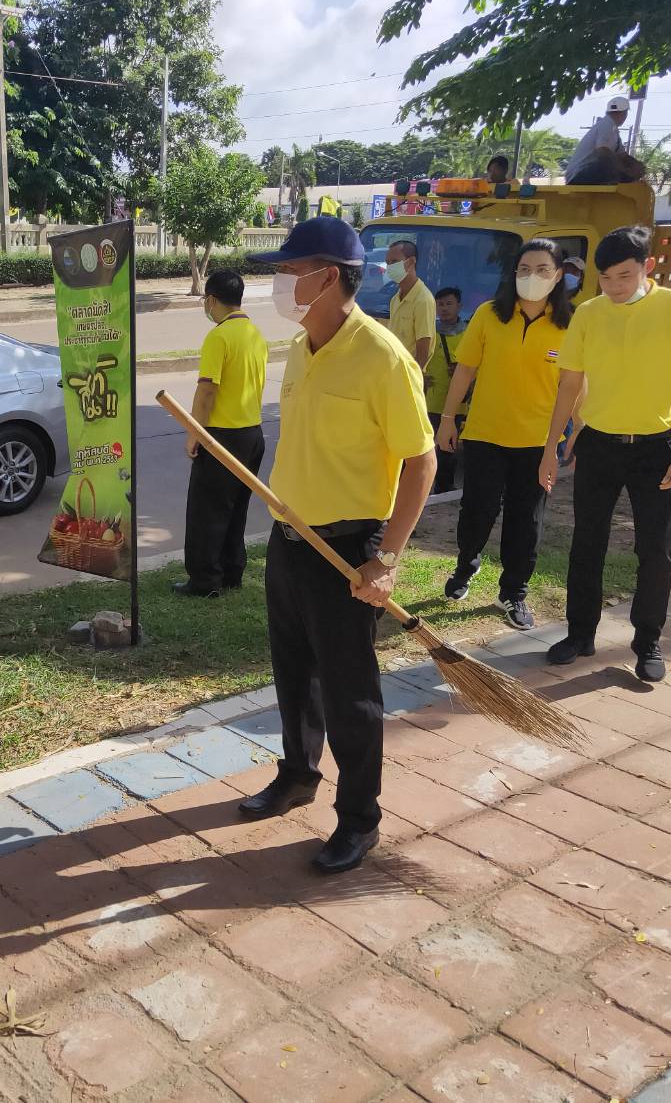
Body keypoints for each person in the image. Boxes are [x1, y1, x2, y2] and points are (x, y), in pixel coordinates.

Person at [237, 216, 436, 874]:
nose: (280, 283)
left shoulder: (382, 357)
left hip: (348, 546)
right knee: (293, 674)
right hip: (290, 537)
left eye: (290, 271)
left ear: (326, 277)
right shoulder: (301, 347)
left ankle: (359, 819)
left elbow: (420, 462)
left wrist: (386, 558)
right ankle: (296, 775)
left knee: (350, 691)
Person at [538, 224, 671, 683]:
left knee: (657, 549)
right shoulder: (589, 314)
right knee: (586, 543)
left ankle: (648, 641)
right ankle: (580, 633)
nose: (615, 287)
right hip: (599, 444)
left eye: (625, 276)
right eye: (606, 278)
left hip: (657, 448)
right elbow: (569, 384)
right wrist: (552, 446)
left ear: (648, 267)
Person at [437, 240, 574, 630]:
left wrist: (564, 439)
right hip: (485, 434)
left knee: (525, 521)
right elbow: (464, 370)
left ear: (559, 275)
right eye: (525, 269)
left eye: (543, 270)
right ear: (513, 274)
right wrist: (448, 418)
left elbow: (571, 387)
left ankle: (513, 593)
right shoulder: (488, 315)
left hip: (536, 441)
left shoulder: (570, 325)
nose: (533, 278)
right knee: (477, 512)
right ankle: (467, 565)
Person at [176, 270, 269, 597]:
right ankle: (232, 571)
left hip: (222, 436)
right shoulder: (255, 334)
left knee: (207, 512)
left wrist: (194, 433)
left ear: (212, 299)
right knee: (235, 509)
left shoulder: (219, 337)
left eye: (206, 299)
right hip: (252, 435)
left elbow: (207, 392)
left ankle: (204, 581)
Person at [423, 286, 468, 493]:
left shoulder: (468, 333)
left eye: (449, 304)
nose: (444, 308)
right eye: (440, 304)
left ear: (459, 305)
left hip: (458, 403)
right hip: (431, 400)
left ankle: (444, 486)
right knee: (426, 446)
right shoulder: (429, 332)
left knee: (449, 447)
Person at [565, 97, 641, 184]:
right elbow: (603, 151)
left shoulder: (613, 130)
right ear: (624, 113)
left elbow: (622, 155)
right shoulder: (607, 124)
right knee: (608, 160)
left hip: (582, 174)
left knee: (620, 166)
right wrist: (625, 171)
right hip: (578, 175)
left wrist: (636, 165)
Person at [385, 240, 435, 369]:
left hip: (408, 374)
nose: (389, 267)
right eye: (387, 263)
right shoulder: (396, 299)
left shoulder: (423, 300)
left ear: (411, 261)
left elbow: (424, 345)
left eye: (394, 262)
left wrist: (415, 377)